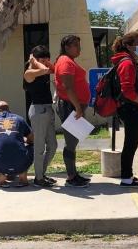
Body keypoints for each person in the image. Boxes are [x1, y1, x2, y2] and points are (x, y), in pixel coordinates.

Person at [111, 33, 138, 186]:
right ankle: (126, 177)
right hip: (130, 107)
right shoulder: (127, 63)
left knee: (132, 142)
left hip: (128, 107)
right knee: (131, 142)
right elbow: (127, 90)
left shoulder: (127, 61)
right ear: (128, 45)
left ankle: (128, 174)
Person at [54, 34, 92, 187]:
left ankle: (74, 174)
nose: (79, 48)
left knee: (74, 141)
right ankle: (71, 176)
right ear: (67, 47)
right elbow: (68, 87)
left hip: (73, 106)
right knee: (70, 143)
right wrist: (78, 108)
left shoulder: (68, 61)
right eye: (76, 45)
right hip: (70, 106)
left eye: (79, 44)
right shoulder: (65, 61)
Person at [23, 44, 58, 187]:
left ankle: (41, 174)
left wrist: (43, 61)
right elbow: (44, 70)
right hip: (38, 110)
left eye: (47, 58)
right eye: (42, 58)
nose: (45, 61)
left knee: (53, 145)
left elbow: (55, 69)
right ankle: (38, 178)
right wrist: (34, 61)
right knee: (39, 147)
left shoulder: (42, 70)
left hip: (47, 109)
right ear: (35, 59)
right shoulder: (29, 73)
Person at [0, 100, 34, 187]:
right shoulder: (19, 119)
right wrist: (24, 141)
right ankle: (23, 178)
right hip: (21, 162)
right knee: (31, 146)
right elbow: (31, 138)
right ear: (9, 109)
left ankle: (2, 178)